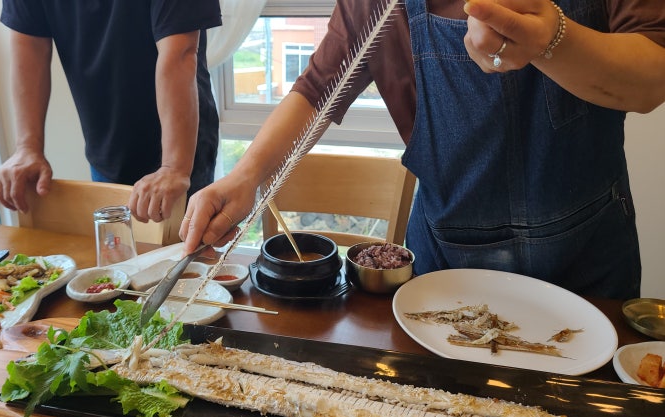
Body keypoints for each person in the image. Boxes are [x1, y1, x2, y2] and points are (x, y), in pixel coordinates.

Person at [180, 0, 665, 300]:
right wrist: (244, 178)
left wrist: (552, 40)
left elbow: (652, 79)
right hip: (445, 271)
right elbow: (318, 89)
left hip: (588, 263)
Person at [0, 0, 221, 224]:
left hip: (181, 148)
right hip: (106, 147)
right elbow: (30, 44)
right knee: (118, 253)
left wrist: (174, 167)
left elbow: (180, 53)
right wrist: (27, 148)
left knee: (186, 253)